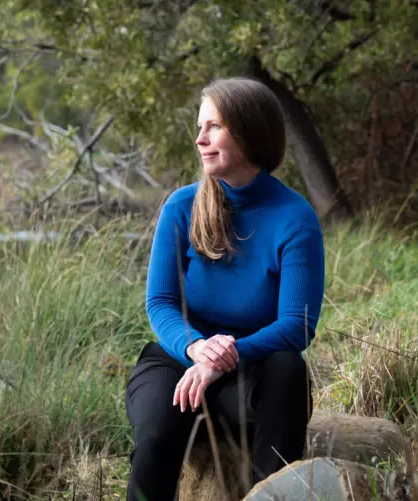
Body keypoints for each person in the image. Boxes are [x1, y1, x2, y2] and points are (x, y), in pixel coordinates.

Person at [124, 77, 325, 501]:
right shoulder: (182, 206)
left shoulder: (295, 217)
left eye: (213, 126)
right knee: (157, 435)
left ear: (249, 130)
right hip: (179, 361)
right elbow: (160, 302)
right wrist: (197, 349)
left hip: (253, 376)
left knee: (288, 367)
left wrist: (227, 356)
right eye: (199, 127)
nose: (200, 139)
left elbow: (297, 325)